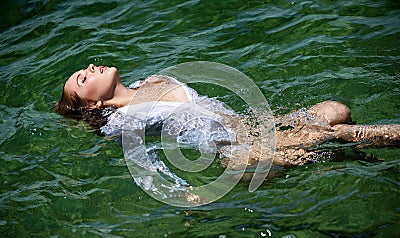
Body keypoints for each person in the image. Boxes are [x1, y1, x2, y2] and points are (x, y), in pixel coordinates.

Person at [56, 64, 400, 170]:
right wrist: (182, 195)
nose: (89, 69)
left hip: (251, 127)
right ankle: (383, 140)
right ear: (92, 107)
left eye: (84, 69)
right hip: (235, 150)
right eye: (82, 80)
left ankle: (367, 156)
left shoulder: (148, 81)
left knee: (335, 111)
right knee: (332, 133)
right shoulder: (121, 122)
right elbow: (145, 159)